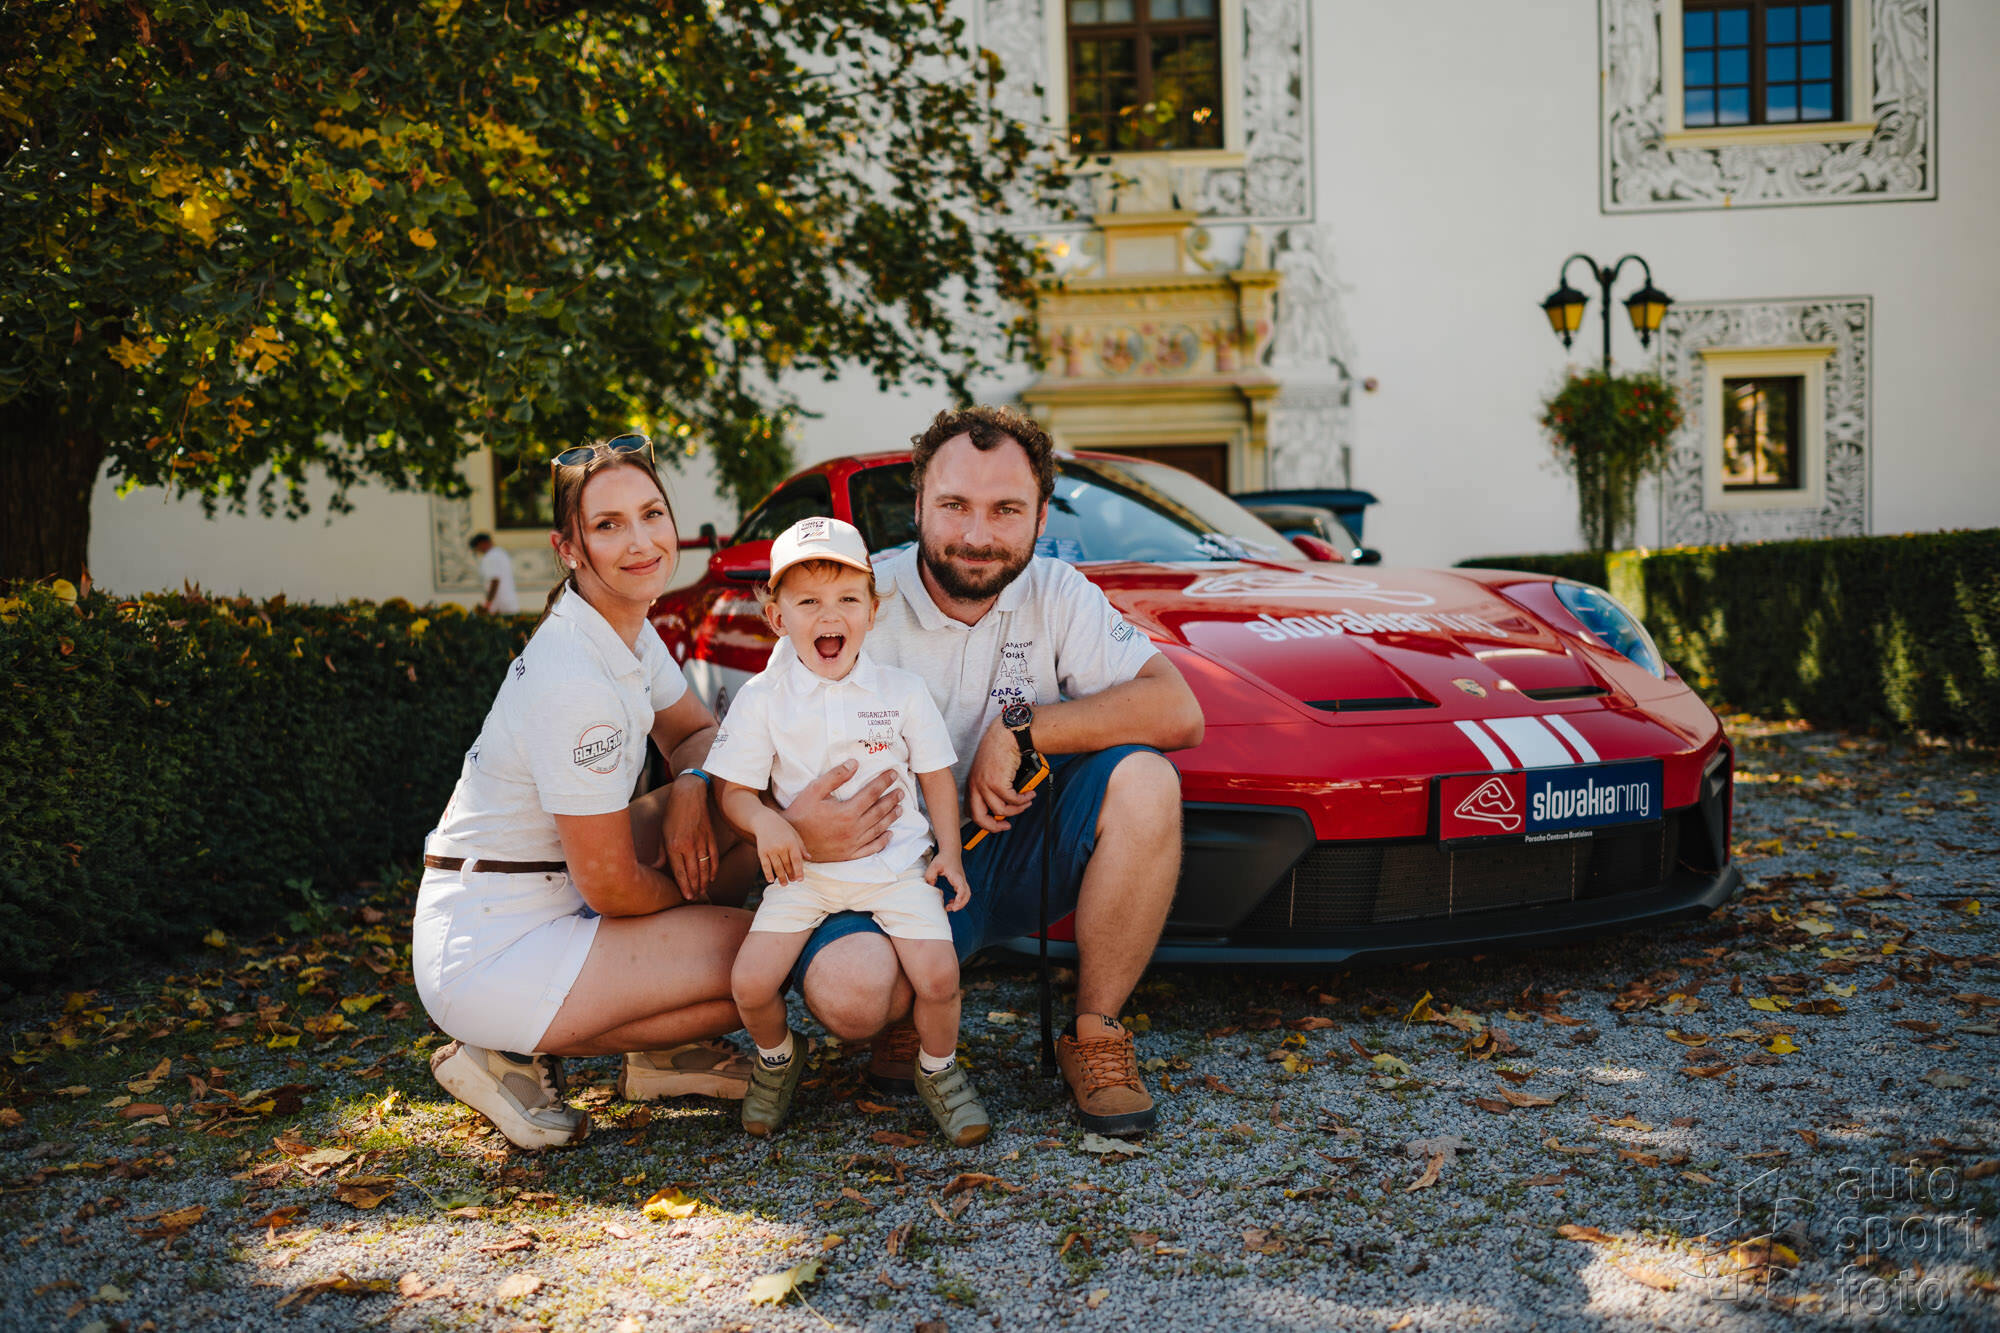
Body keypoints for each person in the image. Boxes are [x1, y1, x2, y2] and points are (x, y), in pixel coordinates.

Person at [777, 405, 1205, 1137]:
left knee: (1146, 779)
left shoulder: (1057, 590)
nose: (977, 535)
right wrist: (781, 822)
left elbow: (1178, 710)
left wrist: (1022, 727)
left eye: (1006, 509)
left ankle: (1096, 1033)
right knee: (851, 997)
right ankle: (910, 1008)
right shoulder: (852, 599)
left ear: (1040, 517)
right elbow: (760, 755)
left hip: (1015, 846)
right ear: (918, 506)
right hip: (884, 865)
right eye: (955, 506)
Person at [414, 435, 760, 1150]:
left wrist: (692, 785)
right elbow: (612, 886)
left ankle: (663, 1054)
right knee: (764, 958)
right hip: (493, 943)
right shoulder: (574, 679)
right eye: (608, 525)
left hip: (556, 886)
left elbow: (698, 732)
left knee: (750, 798)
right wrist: (691, 904)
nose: (641, 541)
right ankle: (499, 1051)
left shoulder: (623, 628)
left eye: (652, 514)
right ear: (569, 548)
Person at [705, 517, 991, 1144]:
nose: (829, 615)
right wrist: (766, 823)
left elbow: (935, 775)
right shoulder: (762, 698)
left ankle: (938, 1069)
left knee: (939, 977)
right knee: (749, 983)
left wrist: (948, 850)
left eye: (847, 599)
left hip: (897, 869)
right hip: (804, 874)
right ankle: (778, 1058)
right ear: (777, 617)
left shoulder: (902, 691)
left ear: (871, 611)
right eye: (807, 602)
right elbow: (735, 793)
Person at [469, 532, 520, 615]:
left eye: (477, 547)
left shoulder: (490, 557)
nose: (478, 551)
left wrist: (487, 604)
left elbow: (495, 581)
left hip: (499, 605)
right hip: (510, 602)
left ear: (483, 543)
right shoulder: (501, 553)